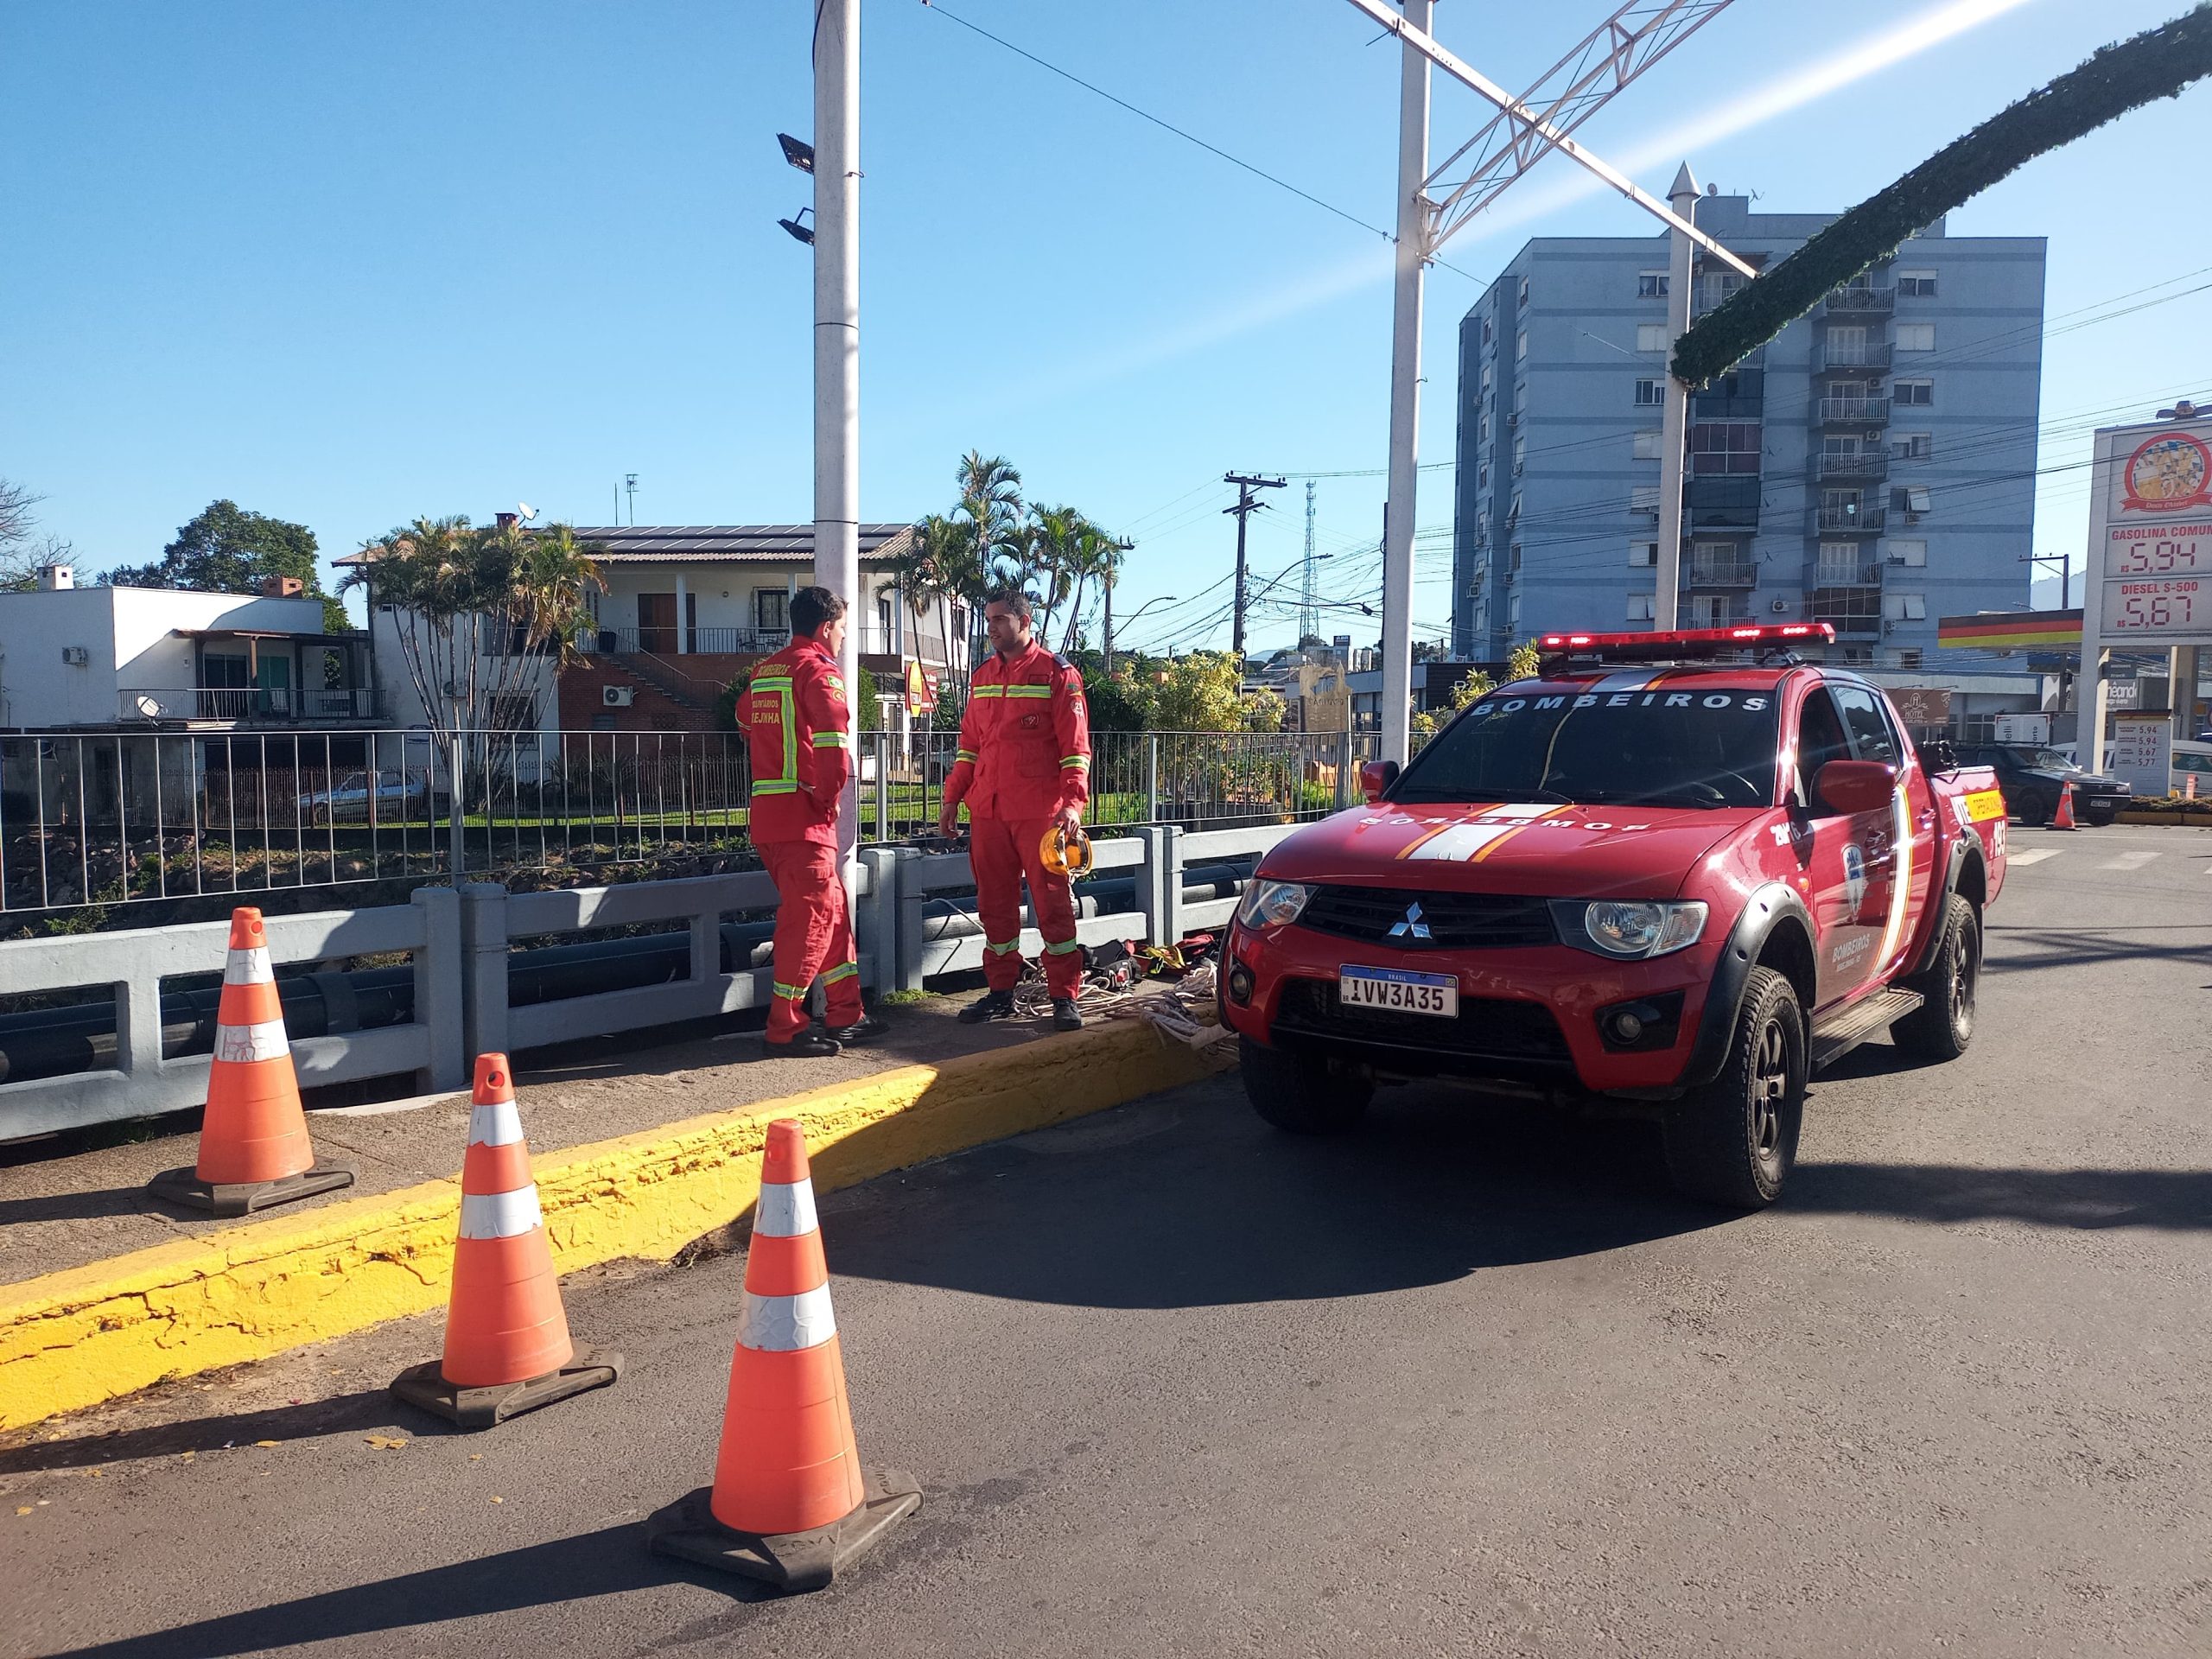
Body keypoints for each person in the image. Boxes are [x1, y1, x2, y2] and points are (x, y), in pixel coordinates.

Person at [936, 589, 1091, 1032]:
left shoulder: (1058, 675)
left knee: (1053, 903)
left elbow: (1075, 750)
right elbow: (969, 747)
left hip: (1041, 814)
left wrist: (1073, 804)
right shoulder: (982, 676)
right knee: (994, 906)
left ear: (1026, 622)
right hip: (988, 810)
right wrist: (951, 799)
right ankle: (1001, 992)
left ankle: (1065, 995)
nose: (992, 627)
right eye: (989, 620)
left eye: (1001, 619)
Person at [741, 586, 885, 1058]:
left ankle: (846, 1012)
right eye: (843, 628)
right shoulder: (819, 670)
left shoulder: (766, 671)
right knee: (811, 921)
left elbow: (745, 720)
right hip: (804, 821)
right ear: (826, 628)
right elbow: (832, 748)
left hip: (769, 817)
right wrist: (826, 801)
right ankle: (786, 1026)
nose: (844, 637)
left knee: (831, 913)